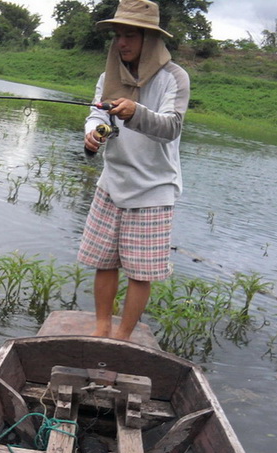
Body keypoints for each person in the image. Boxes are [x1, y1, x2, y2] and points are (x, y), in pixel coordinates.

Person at [78, 0, 190, 340]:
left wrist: (134, 112)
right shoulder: (108, 76)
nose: (121, 43)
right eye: (118, 35)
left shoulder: (174, 78)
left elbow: (172, 127)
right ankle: (101, 328)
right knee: (105, 262)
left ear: (150, 40)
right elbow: (98, 114)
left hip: (153, 190)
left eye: (130, 35)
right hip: (112, 183)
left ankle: (122, 336)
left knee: (140, 273)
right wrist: (94, 132)